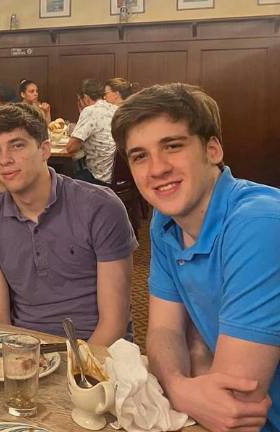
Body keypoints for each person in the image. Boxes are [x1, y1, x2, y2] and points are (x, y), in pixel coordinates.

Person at [112, 83, 280, 432]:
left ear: (213, 149)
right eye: (140, 155)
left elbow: (234, 403)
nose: (156, 169)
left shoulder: (259, 223)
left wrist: (194, 362)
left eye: (172, 146)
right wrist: (181, 386)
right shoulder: (165, 220)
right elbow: (162, 330)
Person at [0, 103, 137, 345]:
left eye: (17, 146)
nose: (5, 160)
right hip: (27, 351)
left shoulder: (100, 207)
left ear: (44, 150)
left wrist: (76, 371)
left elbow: (115, 323)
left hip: (100, 351)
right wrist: (19, 361)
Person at [67, 78, 118, 186]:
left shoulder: (90, 111)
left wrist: (82, 112)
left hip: (100, 178)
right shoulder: (115, 108)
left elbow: (71, 148)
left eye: (79, 100)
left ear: (85, 97)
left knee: (67, 176)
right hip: (120, 175)